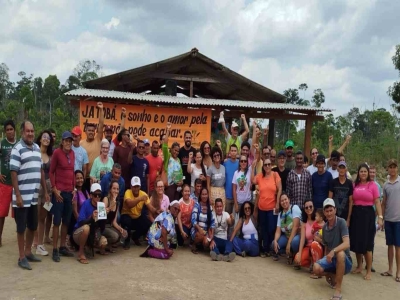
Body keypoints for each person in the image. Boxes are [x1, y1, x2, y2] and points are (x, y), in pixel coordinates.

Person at [10, 121, 50, 270]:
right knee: (21, 228)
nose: (31, 134)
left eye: (32, 131)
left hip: (33, 196)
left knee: (32, 225)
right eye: (28, 131)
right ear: (22, 132)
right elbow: (13, 173)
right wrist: (18, 195)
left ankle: (28, 252)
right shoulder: (17, 149)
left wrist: (45, 191)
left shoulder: (36, 148)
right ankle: (21, 257)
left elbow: (41, 171)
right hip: (21, 198)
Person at [313, 198, 352, 300]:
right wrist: (326, 261)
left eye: (331, 210)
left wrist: (333, 251)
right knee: (316, 268)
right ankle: (331, 274)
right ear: (324, 213)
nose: (329, 213)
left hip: (345, 261)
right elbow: (326, 247)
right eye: (327, 211)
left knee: (340, 254)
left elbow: (347, 243)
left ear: (335, 210)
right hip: (332, 259)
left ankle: (338, 290)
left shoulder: (341, 222)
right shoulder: (324, 228)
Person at [350, 163, 382, 280]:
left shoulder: (373, 185)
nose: (363, 173)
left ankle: (368, 270)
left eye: (365, 171)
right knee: (357, 241)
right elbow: (351, 200)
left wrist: (380, 217)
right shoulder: (355, 185)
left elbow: (377, 202)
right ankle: (359, 266)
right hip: (356, 214)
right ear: (358, 173)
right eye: (361, 171)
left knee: (368, 243)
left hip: (368, 215)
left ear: (368, 173)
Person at [49, 131, 76, 262]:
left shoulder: (72, 153)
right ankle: (54, 249)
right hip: (59, 193)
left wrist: (75, 188)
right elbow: (51, 171)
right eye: (66, 140)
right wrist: (54, 189)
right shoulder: (56, 153)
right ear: (62, 141)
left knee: (66, 220)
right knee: (57, 221)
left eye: (70, 141)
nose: (68, 143)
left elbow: (72, 172)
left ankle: (62, 247)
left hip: (69, 192)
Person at [253, 157, 282, 257]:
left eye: (269, 164)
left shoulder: (275, 175)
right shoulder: (260, 176)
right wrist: (253, 167)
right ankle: (266, 249)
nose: (267, 166)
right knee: (264, 229)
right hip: (262, 207)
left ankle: (271, 247)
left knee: (272, 228)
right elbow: (252, 181)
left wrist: (278, 202)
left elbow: (280, 188)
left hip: (272, 207)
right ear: (263, 166)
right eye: (265, 165)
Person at [73, 183, 108, 264]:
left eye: (99, 195)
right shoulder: (86, 204)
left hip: (93, 232)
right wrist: (91, 218)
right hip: (78, 233)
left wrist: (105, 216)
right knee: (86, 228)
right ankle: (81, 253)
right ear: (91, 195)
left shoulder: (101, 206)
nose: (98, 197)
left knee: (103, 242)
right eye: (95, 195)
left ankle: (89, 246)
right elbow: (80, 222)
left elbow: (102, 228)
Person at [33, 130, 54, 256]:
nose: (46, 139)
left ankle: (40, 244)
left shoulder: (52, 156)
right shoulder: (35, 153)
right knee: (34, 216)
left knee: (43, 216)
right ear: (40, 139)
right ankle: (34, 241)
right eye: (44, 137)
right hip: (36, 187)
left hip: (49, 189)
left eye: (48, 138)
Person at [120, 176, 156, 249]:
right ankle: (127, 241)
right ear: (131, 186)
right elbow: (129, 204)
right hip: (127, 215)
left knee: (148, 223)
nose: (136, 188)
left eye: (137, 186)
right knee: (127, 221)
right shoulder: (128, 192)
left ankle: (135, 236)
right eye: (134, 186)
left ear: (140, 186)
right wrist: (139, 199)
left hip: (137, 217)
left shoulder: (144, 194)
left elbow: (150, 207)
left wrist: (157, 210)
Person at [381, 159, 400, 282]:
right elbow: (384, 203)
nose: (392, 169)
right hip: (388, 219)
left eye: (394, 167)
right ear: (388, 168)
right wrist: (381, 218)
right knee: (389, 245)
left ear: (397, 168)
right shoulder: (386, 185)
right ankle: (390, 269)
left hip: (399, 220)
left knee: (398, 246)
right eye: (390, 167)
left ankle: (398, 271)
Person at [294, 200, 324, 277]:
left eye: (310, 206)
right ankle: (311, 263)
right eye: (306, 207)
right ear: (304, 209)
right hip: (308, 247)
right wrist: (300, 253)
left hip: (318, 246)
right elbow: (302, 239)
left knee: (314, 244)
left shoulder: (319, 221)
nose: (309, 209)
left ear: (313, 207)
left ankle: (317, 269)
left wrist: (319, 239)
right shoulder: (304, 223)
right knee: (297, 259)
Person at [0, 120, 17, 247]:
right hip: (4, 183)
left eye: (11, 129)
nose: (10, 131)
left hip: (16, 184)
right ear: (5, 131)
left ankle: (20, 236)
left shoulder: (19, 145)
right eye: (7, 129)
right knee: (1, 213)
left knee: (18, 212)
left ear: (15, 130)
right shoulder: (2, 144)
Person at [271, 193, 301, 263]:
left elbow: (295, 227)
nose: (284, 202)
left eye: (285, 199)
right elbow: (278, 231)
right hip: (286, 236)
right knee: (273, 244)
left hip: (296, 235)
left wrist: (289, 243)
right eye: (282, 201)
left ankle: (294, 255)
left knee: (294, 242)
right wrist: (275, 240)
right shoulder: (280, 214)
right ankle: (287, 253)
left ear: (289, 200)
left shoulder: (294, 208)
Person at [80, 102, 105, 185]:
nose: (91, 132)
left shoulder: (98, 140)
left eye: (92, 131)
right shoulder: (81, 143)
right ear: (85, 131)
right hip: (84, 177)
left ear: (95, 132)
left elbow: (101, 125)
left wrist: (101, 110)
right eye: (89, 130)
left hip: (96, 177)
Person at [102, 180, 127, 252]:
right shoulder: (106, 199)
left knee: (124, 233)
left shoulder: (117, 202)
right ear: (110, 189)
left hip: (110, 226)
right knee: (115, 236)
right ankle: (101, 243)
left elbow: (114, 222)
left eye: (117, 189)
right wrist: (110, 206)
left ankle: (108, 245)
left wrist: (120, 229)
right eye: (114, 188)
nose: (116, 191)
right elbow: (102, 216)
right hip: (103, 225)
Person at [162, 123, 183, 202]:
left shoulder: (178, 160)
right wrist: (168, 130)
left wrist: (181, 181)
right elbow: (164, 145)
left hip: (177, 188)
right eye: (175, 150)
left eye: (178, 151)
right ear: (171, 149)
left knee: (176, 206)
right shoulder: (168, 157)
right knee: (169, 206)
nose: (176, 152)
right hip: (169, 186)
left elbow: (181, 173)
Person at [190, 187, 215, 254]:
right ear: (200, 196)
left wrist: (212, 234)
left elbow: (212, 222)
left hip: (206, 231)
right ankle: (194, 244)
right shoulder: (197, 205)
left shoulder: (210, 207)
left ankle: (201, 245)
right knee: (199, 235)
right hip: (196, 230)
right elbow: (193, 220)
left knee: (206, 242)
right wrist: (199, 229)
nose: (204, 196)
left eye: (206, 194)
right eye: (203, 194)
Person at [328, 161, 353, 226]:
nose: (341, 170)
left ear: (346, 169)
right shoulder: (333, 182)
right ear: (337, 169)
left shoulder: (349, 183)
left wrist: (349, 219)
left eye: (343, 168)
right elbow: (329, 200)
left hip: (345, 215)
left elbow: (351, 202)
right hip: (334, 215)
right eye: (340, 168)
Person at [69, 170, 89, 245]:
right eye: (77, 178)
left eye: (81, 178)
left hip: (86, 220)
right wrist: (82, 223)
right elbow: (75, 212)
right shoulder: (74, 193)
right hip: (78, 222)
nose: (80, 180)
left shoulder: (85, 191)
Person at [224, 144, 239, 214]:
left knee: (236, 219)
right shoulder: (225, 163)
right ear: (229, 152)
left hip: (237, 197)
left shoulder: (240, 163)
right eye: (232, 151)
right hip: (227, 196)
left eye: (235, 151)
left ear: (237, 152)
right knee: (227, 218)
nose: (233, 152)